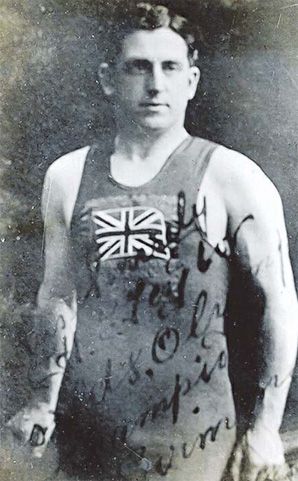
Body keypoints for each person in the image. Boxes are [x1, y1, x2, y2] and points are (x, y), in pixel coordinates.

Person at [5, 3, 298, 480]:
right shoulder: (67, 176)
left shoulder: (232, 176)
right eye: (138, 67)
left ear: (192, 80)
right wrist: (43, 400)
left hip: (193, 438)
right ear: (108, 79)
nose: (155, 84)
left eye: (170, 67)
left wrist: (266, 427)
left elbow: (280, 303)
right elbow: (58, 296)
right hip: (91, 438)